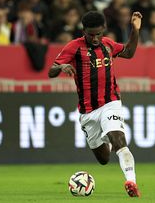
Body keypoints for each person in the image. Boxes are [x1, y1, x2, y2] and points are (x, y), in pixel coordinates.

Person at [48, 11, 143, 197]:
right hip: (88, 112)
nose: (95, 38)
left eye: (98, 33)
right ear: (84, 31)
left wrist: (135, 29)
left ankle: (131, 181)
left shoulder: (108, 44)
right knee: (104, 158)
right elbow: (51, 71)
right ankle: (106, 135)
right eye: (91, 34)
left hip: (110, 102)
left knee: (120, 141)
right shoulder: (74, 47)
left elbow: (129, 52)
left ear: (103, 30)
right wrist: (61, 67)